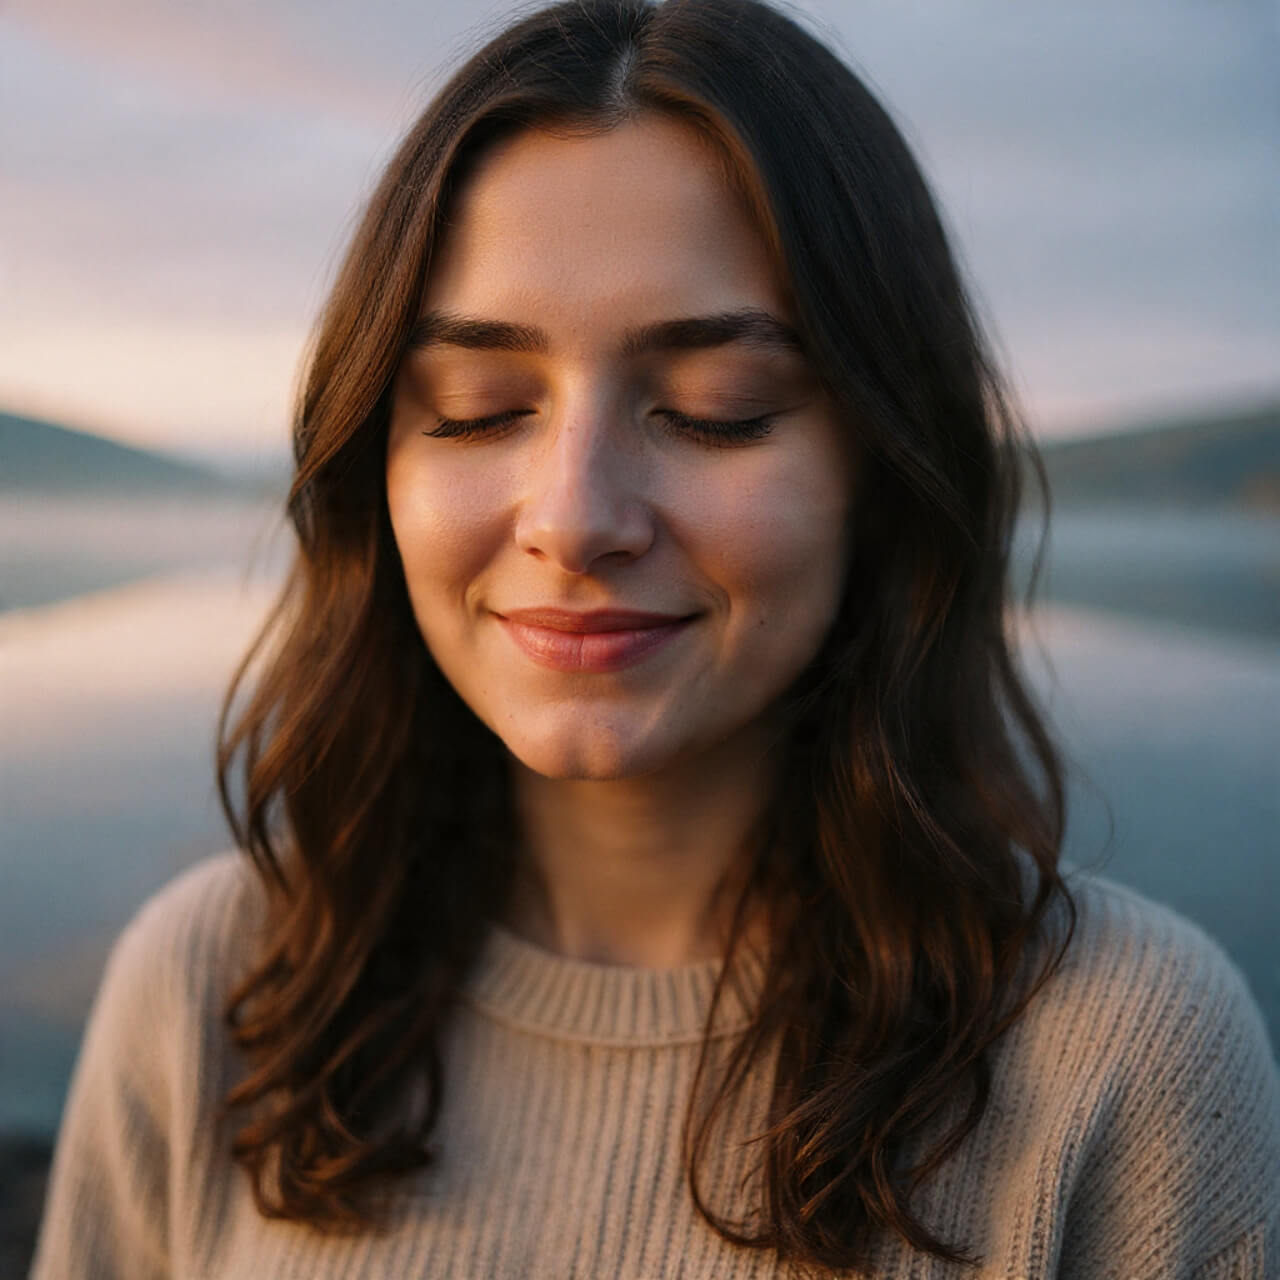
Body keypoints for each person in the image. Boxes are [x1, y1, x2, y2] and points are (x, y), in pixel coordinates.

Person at [30, 0, 1279, 1276]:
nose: (572, 518)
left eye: (713, 409)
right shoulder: (218, 988)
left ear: (883, 466)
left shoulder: (1123, 1058)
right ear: (376, 468)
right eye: (475, 408)